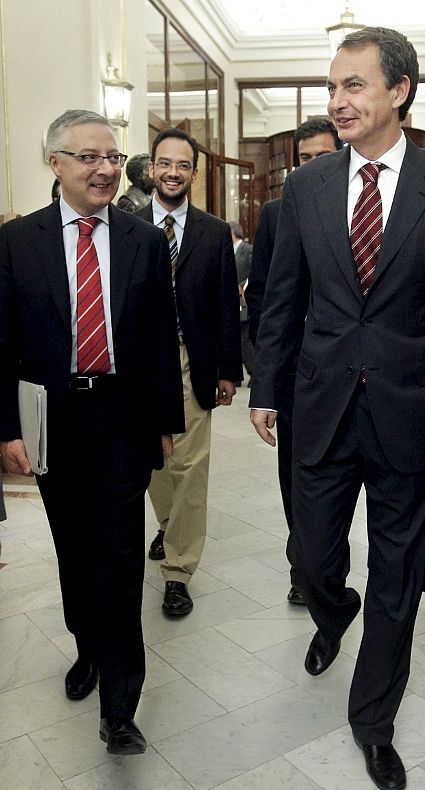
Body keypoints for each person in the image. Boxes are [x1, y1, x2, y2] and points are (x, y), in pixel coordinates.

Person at [250, 28, 425, 790]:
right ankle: (330, 610)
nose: (337, 102)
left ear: (400, 91)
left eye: (354, 86)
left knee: (399, 576)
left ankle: (373, 723)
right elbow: (282, 300)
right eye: (332, 88)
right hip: (319, 406)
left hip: (411, 412)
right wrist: (265, 388)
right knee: (311, 556)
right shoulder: (306, 190)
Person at [0, 109, 184, 756]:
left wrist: (167, 424)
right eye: (89, 157)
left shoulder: (143, 241)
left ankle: (120, 706)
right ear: (55, 163)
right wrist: (5, 430)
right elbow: (2, 345)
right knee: (74, 555)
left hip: (120, 421)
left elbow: (163, 341)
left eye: (112, 155)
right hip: (50, 423)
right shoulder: (17, 242)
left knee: (120, 561)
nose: (106, 168)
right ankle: (87, 649)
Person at [139, 129, 242, 617]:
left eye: (182, 165)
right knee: (155, 461)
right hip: (139, 366)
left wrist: (228, 369)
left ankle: (178, 570)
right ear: (150, 169)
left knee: (190, 465)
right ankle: (169, 524)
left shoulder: (214, 232)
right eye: (165, 163)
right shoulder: (127, 226)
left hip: (190, 359)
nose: (172, 172)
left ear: (194, 175)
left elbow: (226, 304)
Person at [246, 117, 343, 606]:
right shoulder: (278, 212)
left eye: (324, 157)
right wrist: (273, 362)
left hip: (348, 369)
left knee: (338, 479)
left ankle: (330, 564)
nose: (313, 167)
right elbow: (265, 293)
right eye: (306, 159)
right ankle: (303, 567)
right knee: (297, 478)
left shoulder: (363, 206)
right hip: (295, 373)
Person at [229, 221, 254, 384]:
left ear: (233, 233)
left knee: (244, 338)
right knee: (233, 339)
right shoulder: (225, 250)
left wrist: (242, 286)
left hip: (244, 301)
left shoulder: (248, 250)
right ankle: (235, 376)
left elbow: (255, 273)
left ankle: (254, 371)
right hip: (230, 303)